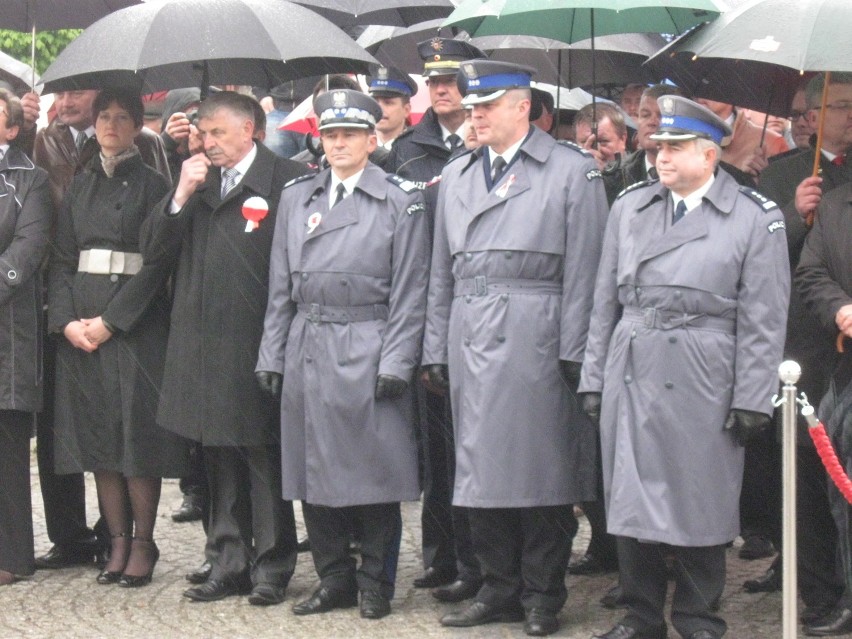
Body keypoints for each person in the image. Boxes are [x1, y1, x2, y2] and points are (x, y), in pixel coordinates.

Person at [580, 95, 790, 639]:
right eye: (659, 145)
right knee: (631, 498)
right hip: (634, 361)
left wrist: (752, 397)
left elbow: (765, 317)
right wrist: (593, 376)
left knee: (701, 500)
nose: (661, 156)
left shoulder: (753, 217)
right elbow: (605, 299)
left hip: (704, 372)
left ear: (710, 154)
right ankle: (641, 616)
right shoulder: (631, 206)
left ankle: (698, 617)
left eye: (675, 147)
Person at [423, 60, 608, 637]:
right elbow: (439, 272)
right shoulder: (457, 176)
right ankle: (497, 586)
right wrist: (435, 346)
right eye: (472, 106)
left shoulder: (571, 172)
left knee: (541, 473)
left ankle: (542, 595)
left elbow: (588, 268)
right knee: (477, 473)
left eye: (487, 105)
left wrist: (576, 348)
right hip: (471, 331)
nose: (474, 115)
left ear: (523, 107)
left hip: (537, 333)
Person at [256, 89, 429, 620]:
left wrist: (398, 361)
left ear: (371, 140)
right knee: (313, 472)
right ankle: (334, 578)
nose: (338, 144)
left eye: (350, 134)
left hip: (368, 342)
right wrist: (271, 356)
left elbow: (411, 289)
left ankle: (376, 581)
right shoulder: (297, 196)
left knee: (374, 474)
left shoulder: (403, 198)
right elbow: (280, 286)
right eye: (330, 135)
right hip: (309, 341)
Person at [141, 91, 308, 605]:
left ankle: (272, 566)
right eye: (202, 132)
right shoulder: (197, 179)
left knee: (262, 453)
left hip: (257, 337)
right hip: (200, 338)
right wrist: (179, 195)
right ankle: (227, 559)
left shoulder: (287, 180)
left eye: (217, 133)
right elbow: (154, 251)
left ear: (250, 129)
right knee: (215, 456)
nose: (207, 142)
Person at [48, 88, 189, 588]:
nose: (110, 125)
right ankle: (116, 539)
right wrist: (67, 322)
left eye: (121, 118)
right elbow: (62, 259)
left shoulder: (155, 185)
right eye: (103, 117)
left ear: (136, 126)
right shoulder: (80, 185)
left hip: (133, 325)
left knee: (135, 438)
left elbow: (156, 266)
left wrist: (112, 322)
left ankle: (144, 541)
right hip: (82, 328)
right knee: (99, 438)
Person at [745, 72, 852, 632]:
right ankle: (821, 591)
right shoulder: (785, 173)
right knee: (807, 476)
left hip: (849, 349)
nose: (850, 116)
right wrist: (792, 215)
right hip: (801, 348)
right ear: (813, 114)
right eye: (839, 106)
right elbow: (753, 256)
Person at [0, 88, 52, 586]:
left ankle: (12, 555)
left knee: (6, 449)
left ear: (12, 129)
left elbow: (28, 247)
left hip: (7, 330)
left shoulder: (29, 180)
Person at [797, 180, 852, 637]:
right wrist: (840, 309)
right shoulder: (835, 206)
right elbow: (811, 273)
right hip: (846, 374)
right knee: (844, 495)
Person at [694, 97, 789, 178]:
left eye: (713, 83)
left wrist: (759, 177)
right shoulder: (681, 129)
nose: (703, 92)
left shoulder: (770, 142)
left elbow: (780, 191)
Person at [368, 65, 418, 149]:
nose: (379, 108)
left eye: (388, 103)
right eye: (375, 101)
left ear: (406, 110)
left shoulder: (416, 150)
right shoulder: (360, 149)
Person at [574, 102, 628, 171]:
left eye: (602, 141)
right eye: (584, 142)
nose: (594, 150)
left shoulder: (640, 172)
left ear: (622, 139)